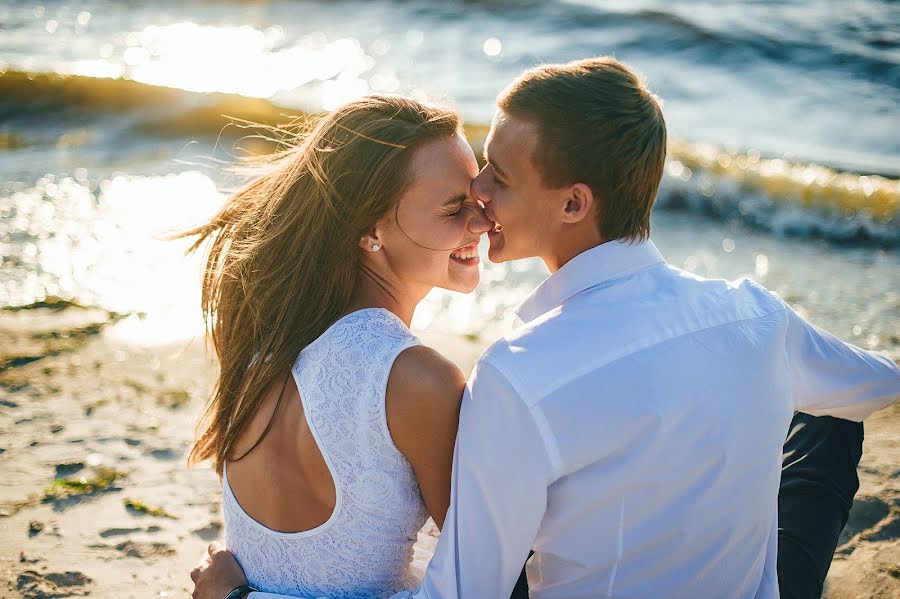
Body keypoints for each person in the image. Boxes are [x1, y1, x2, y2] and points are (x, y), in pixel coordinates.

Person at [193, 58, 899, 599]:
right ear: (370, 230)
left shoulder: (515, 373)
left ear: (574, 203)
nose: (481, 203)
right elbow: (880, 386)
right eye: (466, 193)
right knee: (827, 412)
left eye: (494, 177)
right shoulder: (758, 316)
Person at [181, 94, 492, 598]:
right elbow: (478, 582)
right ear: (370, 229)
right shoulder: (413, 380)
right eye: (455, 207)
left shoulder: (262, 342)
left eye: (479, 200)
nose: (482, 222)